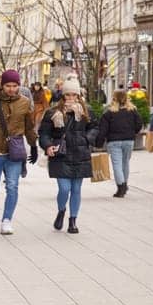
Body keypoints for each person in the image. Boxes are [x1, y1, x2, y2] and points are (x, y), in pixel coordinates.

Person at [0, 70, 37, 235]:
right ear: (2, 85)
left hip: (14, 151)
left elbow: (29, 126)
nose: (11, 88)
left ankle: (7, 220)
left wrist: (33, 145)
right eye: (8, 85)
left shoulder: (24, 103)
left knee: (12, 186)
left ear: (19, 86)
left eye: (15, 85)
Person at [38, 79, 96, 234]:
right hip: (61, 154)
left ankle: (73, 221)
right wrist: (48, 146)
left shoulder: (86, 111)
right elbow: (43, 133)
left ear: (78, 95)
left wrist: (86, 139)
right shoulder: (53, 112)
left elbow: (95, 128)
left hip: (80, 154)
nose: (71, 98)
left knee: (76, 189)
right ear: (63, 95)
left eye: (74, 95)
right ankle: (61, 210)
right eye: (67, 95)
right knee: (64, 188)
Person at [96, 88, 143, 198]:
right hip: (129, 140)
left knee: (117, 164)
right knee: (125, 163)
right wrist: (132, 133)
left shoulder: (109, 112)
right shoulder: (132, 110)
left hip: (114, 141)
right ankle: (124, 184)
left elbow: (103, 129)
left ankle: (121, 187)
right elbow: (139, 124)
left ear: (114, 97)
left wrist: (99, 143)